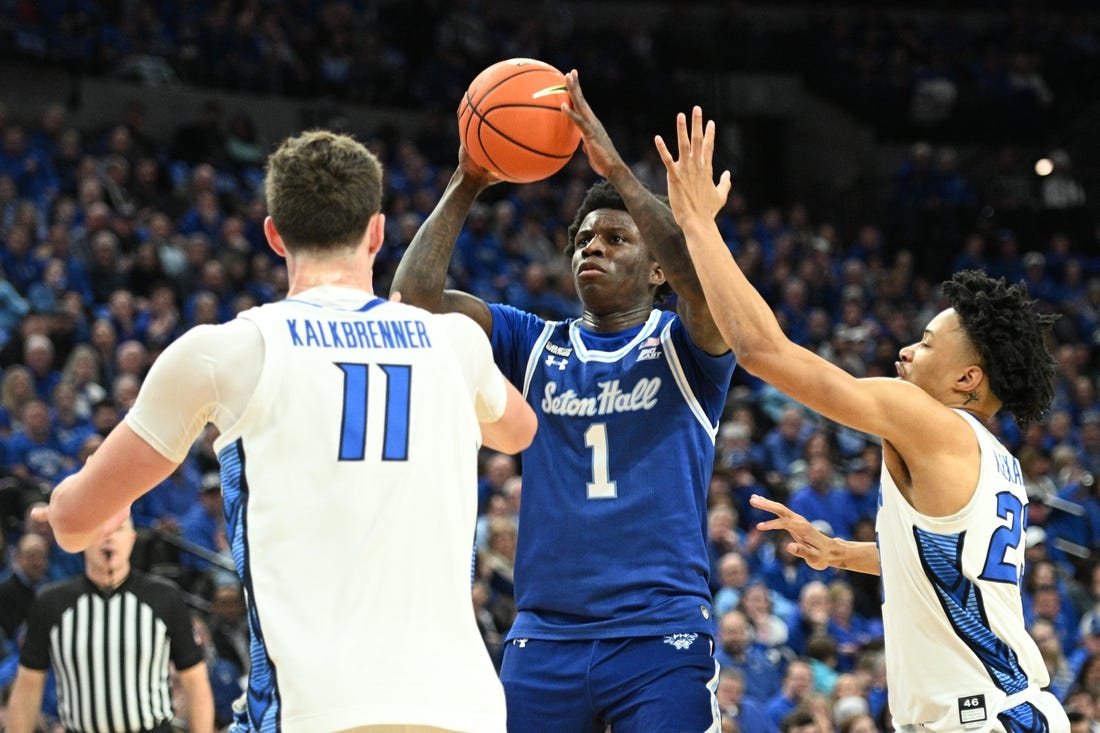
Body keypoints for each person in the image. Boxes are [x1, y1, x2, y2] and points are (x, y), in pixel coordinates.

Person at [31, 130, 537, 733]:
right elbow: (519, 433)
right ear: (376, 232)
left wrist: (59, 505)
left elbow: (73, 525)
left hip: (313, 713)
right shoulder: (456, 343)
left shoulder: (227, 352)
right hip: (464, 711)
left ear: (273, 234)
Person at [655, 107, 1070, 731]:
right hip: (1007, 710)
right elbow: (947, 565)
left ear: (967, 379)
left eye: (927, 343)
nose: (907, 349)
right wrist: (845, 554)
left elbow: (765, 353)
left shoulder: (925, 419)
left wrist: (696, 225)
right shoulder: (994, 458)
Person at [392, 70, 735, 732]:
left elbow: (703, 282)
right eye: (583, 240)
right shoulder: (532, 341)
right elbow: (411, 307)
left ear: (656, 268)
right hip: (545, 634)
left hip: (657, 633)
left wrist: (617, 172)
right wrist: (466, 181)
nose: (592, 248)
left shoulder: (688, 346)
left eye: (614, 238)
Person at [5, 514, 215, 733]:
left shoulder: (164, 597)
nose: (109, 539)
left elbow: (196, 684)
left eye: (118, 530)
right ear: (83, 539)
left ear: (132, 538)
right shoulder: (51, 603)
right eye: (100, 531)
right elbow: (27, 690)